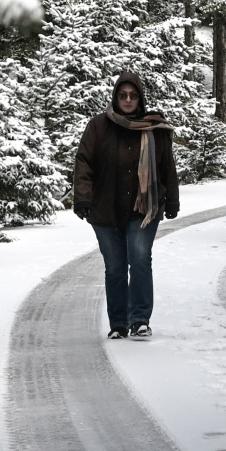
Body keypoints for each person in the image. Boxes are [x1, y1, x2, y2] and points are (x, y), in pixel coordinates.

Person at [72, 71, 180, 340]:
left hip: (144, 210)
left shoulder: (155, 128)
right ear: (115, 97)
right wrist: (83, 197)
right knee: (115, 268)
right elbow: (83, 163)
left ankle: (140, 319)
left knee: (140, 260)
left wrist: (173, 200)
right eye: (123, 95)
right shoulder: (98, 126)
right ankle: (118, 324)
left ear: (140, 98)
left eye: (133, 95)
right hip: (105, 209)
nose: (128, 100)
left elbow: (168, 167)